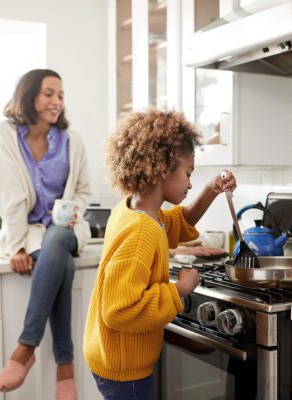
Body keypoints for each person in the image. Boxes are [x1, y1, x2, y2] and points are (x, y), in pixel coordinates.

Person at [83, 109, 237, 400]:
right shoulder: (142, 231)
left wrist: (211, 189)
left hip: (112, 355)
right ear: (164, 167)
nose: (191, 184)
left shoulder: (134, 211)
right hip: (124, 367)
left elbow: (180, 222)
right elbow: (119, 311)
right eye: (188, 173)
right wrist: (179, 289)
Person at [0, 69, 91, 400]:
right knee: (63, 262)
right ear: (30, 95)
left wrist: (69, 212)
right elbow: (8, 195)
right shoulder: (4, 134)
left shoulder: (73, 141)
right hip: (30, 233)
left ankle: (25, 346)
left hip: (69, 228)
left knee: (59, 237)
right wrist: (16, 246)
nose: (57, 101)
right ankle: (66, 366)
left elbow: (85, 192)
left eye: (60, 95)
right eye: (49, 93)